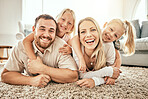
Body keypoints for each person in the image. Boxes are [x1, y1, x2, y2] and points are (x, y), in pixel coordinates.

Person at [1, 14, 78, 87]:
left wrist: (41, 68)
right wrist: (31, 80)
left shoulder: (62, 46)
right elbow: (5, 75)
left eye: (51, 31)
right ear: (34, 30)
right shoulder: (21, 46)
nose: (46, 35)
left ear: (55, 33)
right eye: (42, 29)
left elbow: (73, 76)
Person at [72, 18, 135, 84]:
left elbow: (116, 61)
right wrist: (80, 58)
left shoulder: (109, 46)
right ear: (105, 25)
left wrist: (112, 75)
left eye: (115, 35)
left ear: (117, 39)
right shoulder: (88, 37)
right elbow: (75, 39)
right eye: (111, 29)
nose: (111, 34)